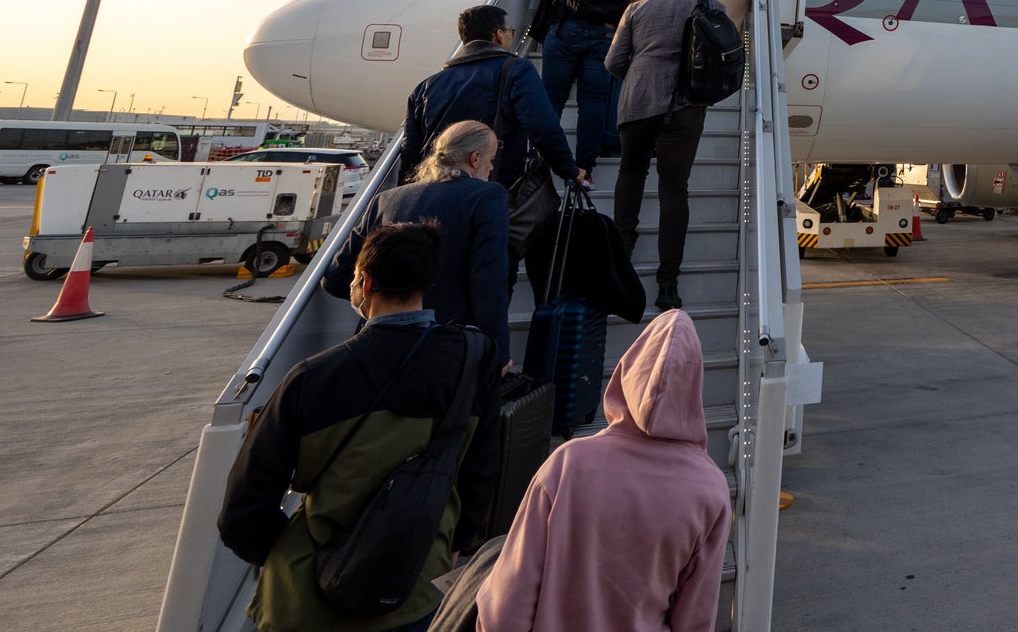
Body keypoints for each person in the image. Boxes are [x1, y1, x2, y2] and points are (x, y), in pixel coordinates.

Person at [222, 221, 503, 632]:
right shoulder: (474, 358)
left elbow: (242, 514)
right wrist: (452, 544)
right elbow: (482, 469)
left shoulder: (312, 378)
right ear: (426, 283)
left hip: (308, 599)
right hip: (417, 584)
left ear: (365, 282)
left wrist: (289, 557)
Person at [474, 309, 731, 632]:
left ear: (627, 371)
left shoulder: (567, 464)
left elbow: (506, 607)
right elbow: (695, 620)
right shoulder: (711, 491)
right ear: (694, 383)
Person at [323, 122, 515, 368]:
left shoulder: (386, 200)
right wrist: (497, 355)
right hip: (444, 354)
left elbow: (336, 278)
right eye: (491, 159)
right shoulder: (487, 196)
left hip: (375, 351)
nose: (491, 167)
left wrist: (381, 305)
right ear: (475, 158)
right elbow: (489, 283)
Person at [605, 0, 705, 312]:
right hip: (686, 105)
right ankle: (668, 283)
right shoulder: (707, 5)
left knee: (631, 173)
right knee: (674, 189)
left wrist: (637, 77)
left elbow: (613, 61)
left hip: (639, 101)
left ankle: (622, 257)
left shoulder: (637, 8)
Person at [397, 5, 576, 190]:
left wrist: (408, 194)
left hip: (435, 192)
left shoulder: (425, 87)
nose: (511, 36)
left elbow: (410, 152)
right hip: (493, 189)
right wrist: (570, 171)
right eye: (510, 32)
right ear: (498, 34)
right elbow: (543, 127)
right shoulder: (517, 71)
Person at [537, 0, 646, 182]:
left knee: (551, 100)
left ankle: (538, 164)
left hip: (565, 30)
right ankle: (584, 169)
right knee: (593, 103)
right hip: (605, 37)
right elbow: (635, 6)